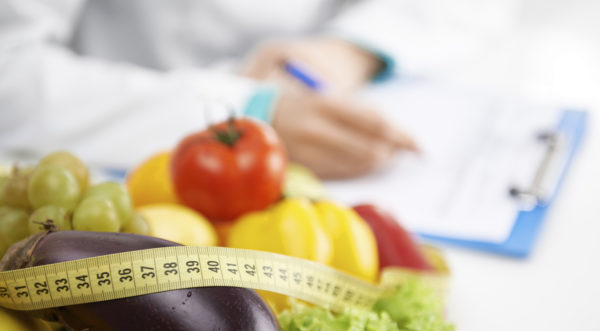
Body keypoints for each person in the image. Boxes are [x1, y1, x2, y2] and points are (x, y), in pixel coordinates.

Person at [0, 0, 505, 178]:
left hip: (332, 92)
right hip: (130, 135)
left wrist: (351, 49)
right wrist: (246, 114)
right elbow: (11, 74)